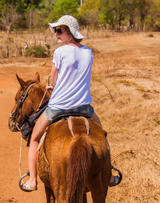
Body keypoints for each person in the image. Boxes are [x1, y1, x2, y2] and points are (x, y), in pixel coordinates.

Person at [20, 15, 119, 192]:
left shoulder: (60, 52)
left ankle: (33, 180)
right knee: (102, 136)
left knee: (34, 138)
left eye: (59, 30)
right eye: (55, 30)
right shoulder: (88, 52)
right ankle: (109, 175)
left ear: (70, 32)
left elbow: (55, 81)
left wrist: (52, 87)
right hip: (84, 107)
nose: (56, 34)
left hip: (59, 107)